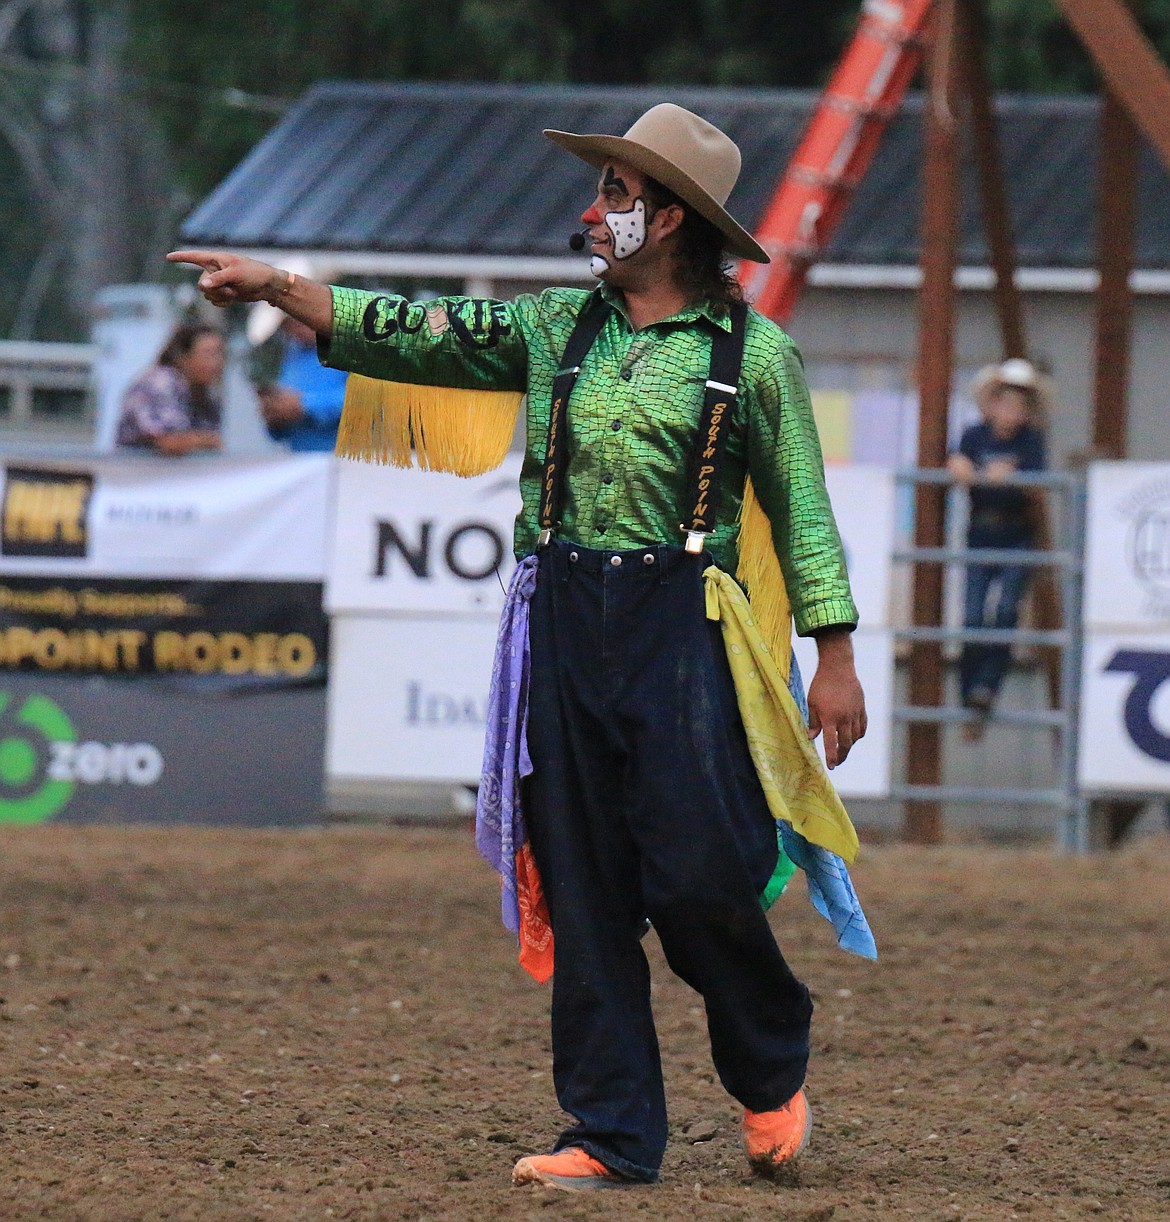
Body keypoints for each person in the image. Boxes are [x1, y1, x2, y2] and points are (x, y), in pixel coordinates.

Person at [169, 102, 872, 1191]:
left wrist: (833, 653)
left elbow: (805, 511)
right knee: (584, 884)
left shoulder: (756, 356)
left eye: (620, 195)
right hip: (561, 626)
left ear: (673, 218)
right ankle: (610, 1132)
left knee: (699, 881)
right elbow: (410, 330)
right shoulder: (553, 331)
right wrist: (278, 286)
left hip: (686, 628)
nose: (595, 213)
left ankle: (769, 1068)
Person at [947, 358, 1049, 721]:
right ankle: (969, 692)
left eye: (1019, 403)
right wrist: (965, 470)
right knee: (973, 617)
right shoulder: (974, 435)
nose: (1010, 409)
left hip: (1016, 532)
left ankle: (986, 688)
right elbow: (957, 464)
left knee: (1006, 611)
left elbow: (1039, 484)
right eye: (1004, 400)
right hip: (981, 530)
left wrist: (1014, 477)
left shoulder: (1032, 441)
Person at [116, 323, 225, 456]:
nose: (217, 362)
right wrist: (209, 440)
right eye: (208, 354)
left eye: (220, 354)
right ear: (183, 357)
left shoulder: (204, 392)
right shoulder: (159, 383)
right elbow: (169, 441)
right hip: (141, 471)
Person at [252, 314, 348, 451]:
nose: (296, 328)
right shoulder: (291, 359)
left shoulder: (351, 351)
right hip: (302, 462)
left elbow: (367, 401)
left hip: (347, 461)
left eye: (302, 321)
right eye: (289, 324)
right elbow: (279, 435)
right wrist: (275, 416)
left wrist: (304, 405)